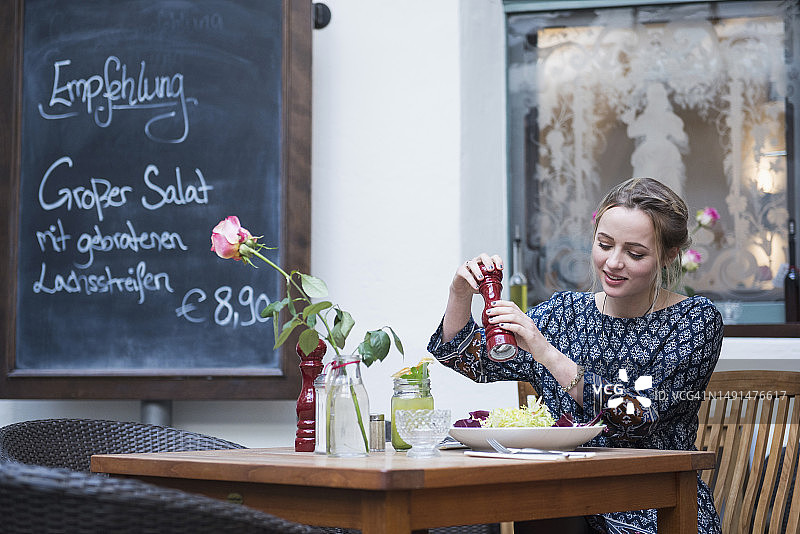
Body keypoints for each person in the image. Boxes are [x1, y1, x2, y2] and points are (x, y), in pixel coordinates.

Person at [427, 177, 723, 534]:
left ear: (669, 255)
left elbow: (637, 416)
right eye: (605, 244)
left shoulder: (694, 320)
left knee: (543, 508)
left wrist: (545, 352)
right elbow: (469, 360)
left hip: (652, 508)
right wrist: (459, 293)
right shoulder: (564, 312)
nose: (613, 263)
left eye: (635, 253)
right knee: (520, 508)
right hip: (563, 498)